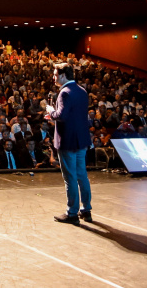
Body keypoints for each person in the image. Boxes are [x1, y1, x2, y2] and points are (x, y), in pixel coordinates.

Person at [46, 63, 92, 224]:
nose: (53, 77)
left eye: (55, 74)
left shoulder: (64, 93)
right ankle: (86, 209)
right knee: (81, 175)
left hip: (68, 141)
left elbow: (61, 115)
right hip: (81, 139)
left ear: (63, 75)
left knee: (70, 177)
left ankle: (72, 212)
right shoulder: (82, 91)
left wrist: (49, 110)